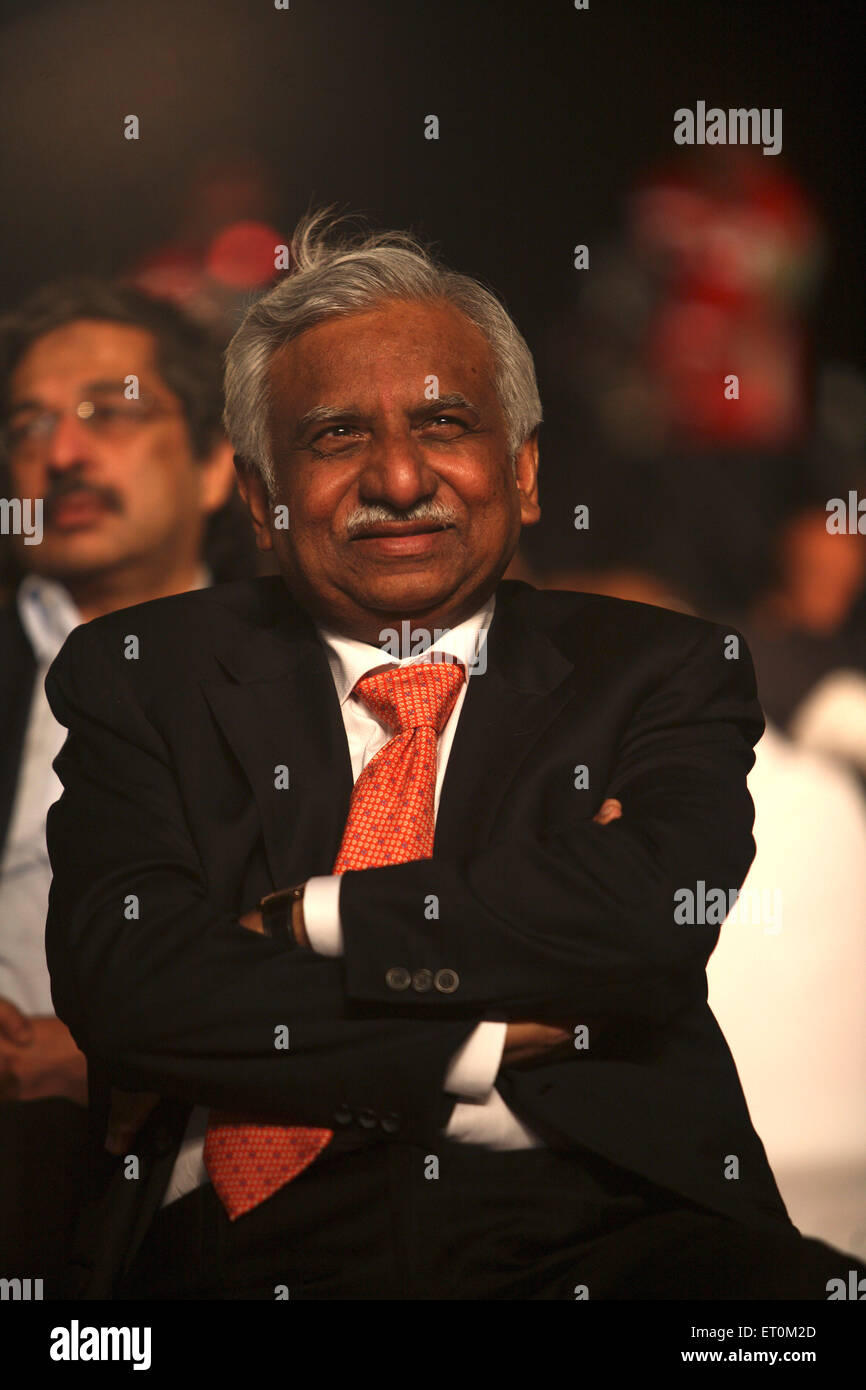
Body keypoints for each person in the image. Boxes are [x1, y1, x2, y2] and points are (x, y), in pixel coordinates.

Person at [44, 213, 865, 1300]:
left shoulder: (656, 666)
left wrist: (306, 920)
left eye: (442, 422)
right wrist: (473, 1037)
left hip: (616, 1220)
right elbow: (132, 987)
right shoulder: (143, 672)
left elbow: (648, 920)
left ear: (522, 473)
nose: (396, 476)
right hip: (246, 1246)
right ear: (258, 498)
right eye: (335, 436)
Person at [0, 280, 237, 1287]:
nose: (62, 454)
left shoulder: (310, 674)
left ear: (218, 464)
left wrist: (116, 1061)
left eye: (113, 409)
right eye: (28, 425)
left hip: (194, 1141)